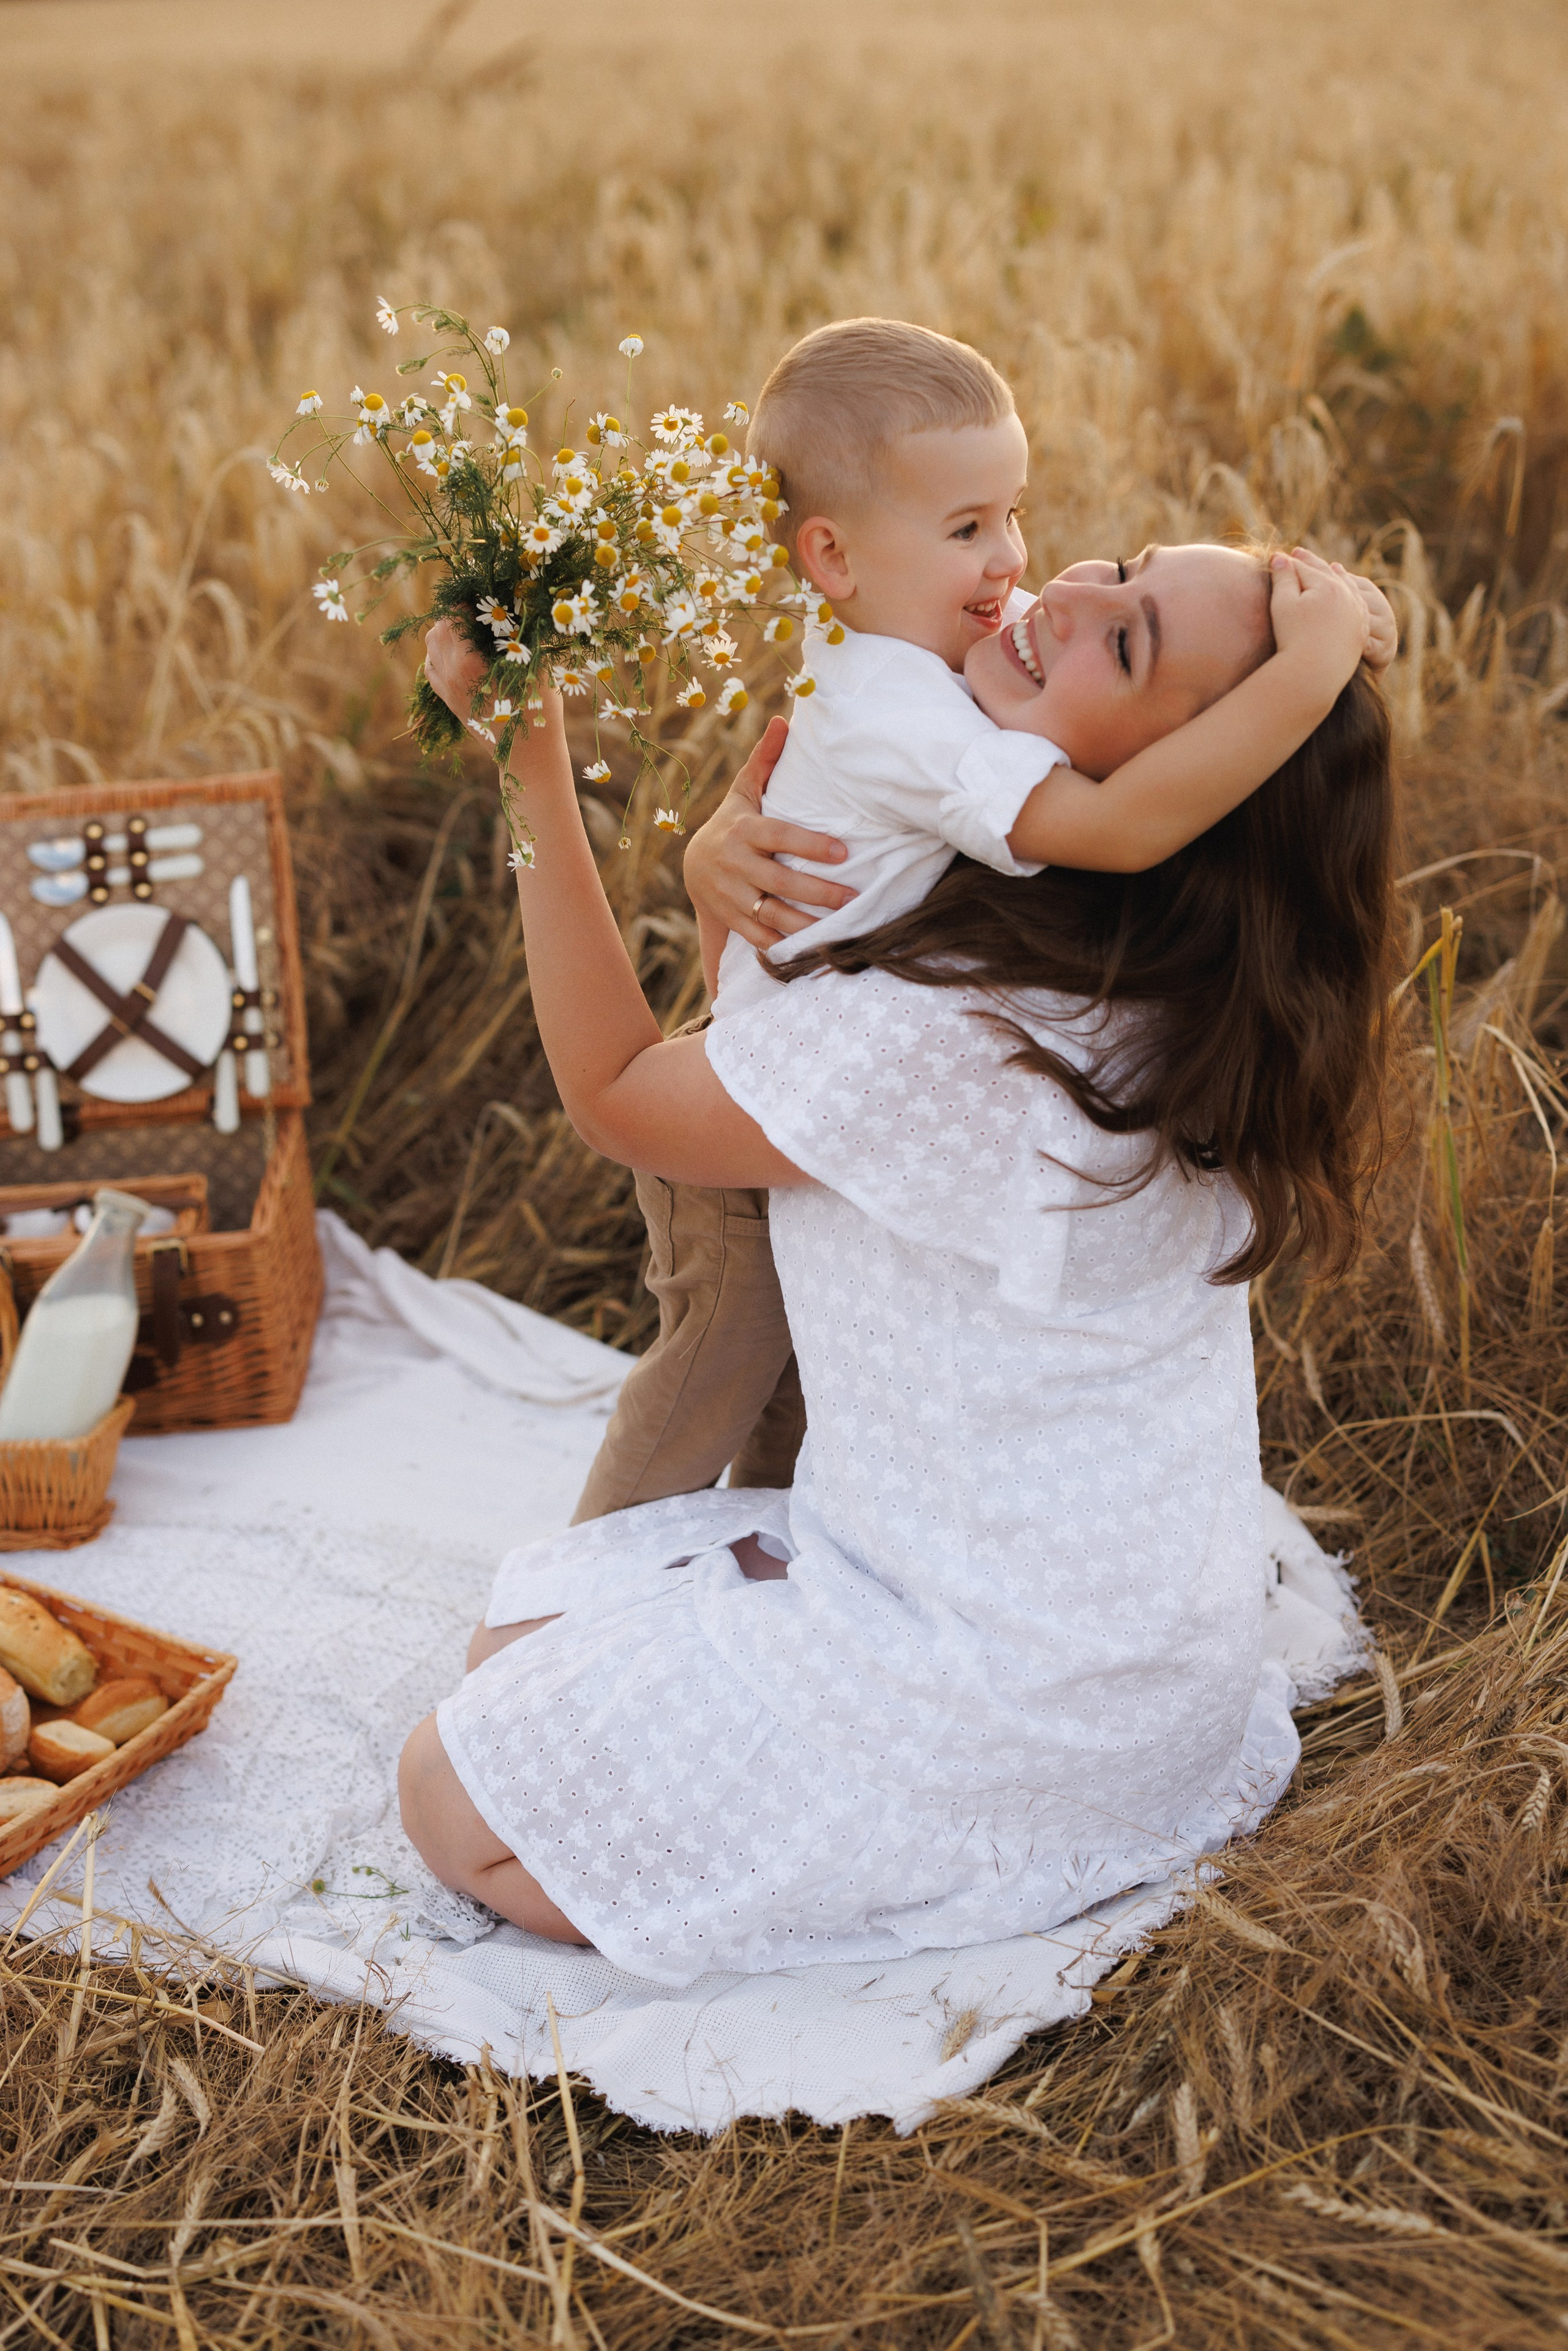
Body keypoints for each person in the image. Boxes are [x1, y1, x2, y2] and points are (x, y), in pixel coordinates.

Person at [396, 546, 1396, 1982]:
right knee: (528, 1628)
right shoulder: (1171, 1000)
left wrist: (529, 760)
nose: (1066, 601)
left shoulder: (978, 1031)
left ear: (1188, 789)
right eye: (1111, 566)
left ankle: (899, 1875)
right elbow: (780, 997)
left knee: (454, 1786)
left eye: (1126, 643)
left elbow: (623, 1090)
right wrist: (710, 852)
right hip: (1110, 1638)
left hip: (1001, 1683)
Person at [568, 318, 1395, 1525]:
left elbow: (1171, 713)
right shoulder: (921, 708)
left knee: (804, 1398)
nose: (1032, 569)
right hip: (752, 1109)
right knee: (709, 1377)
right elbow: (1119, 821)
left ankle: (777, 1539)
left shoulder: (922, 627)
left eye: (1015, 515)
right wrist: (1304, 675)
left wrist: (1346, 621)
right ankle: (581, 1588)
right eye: (971, 529)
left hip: (790, 1069)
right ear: (835, 555)